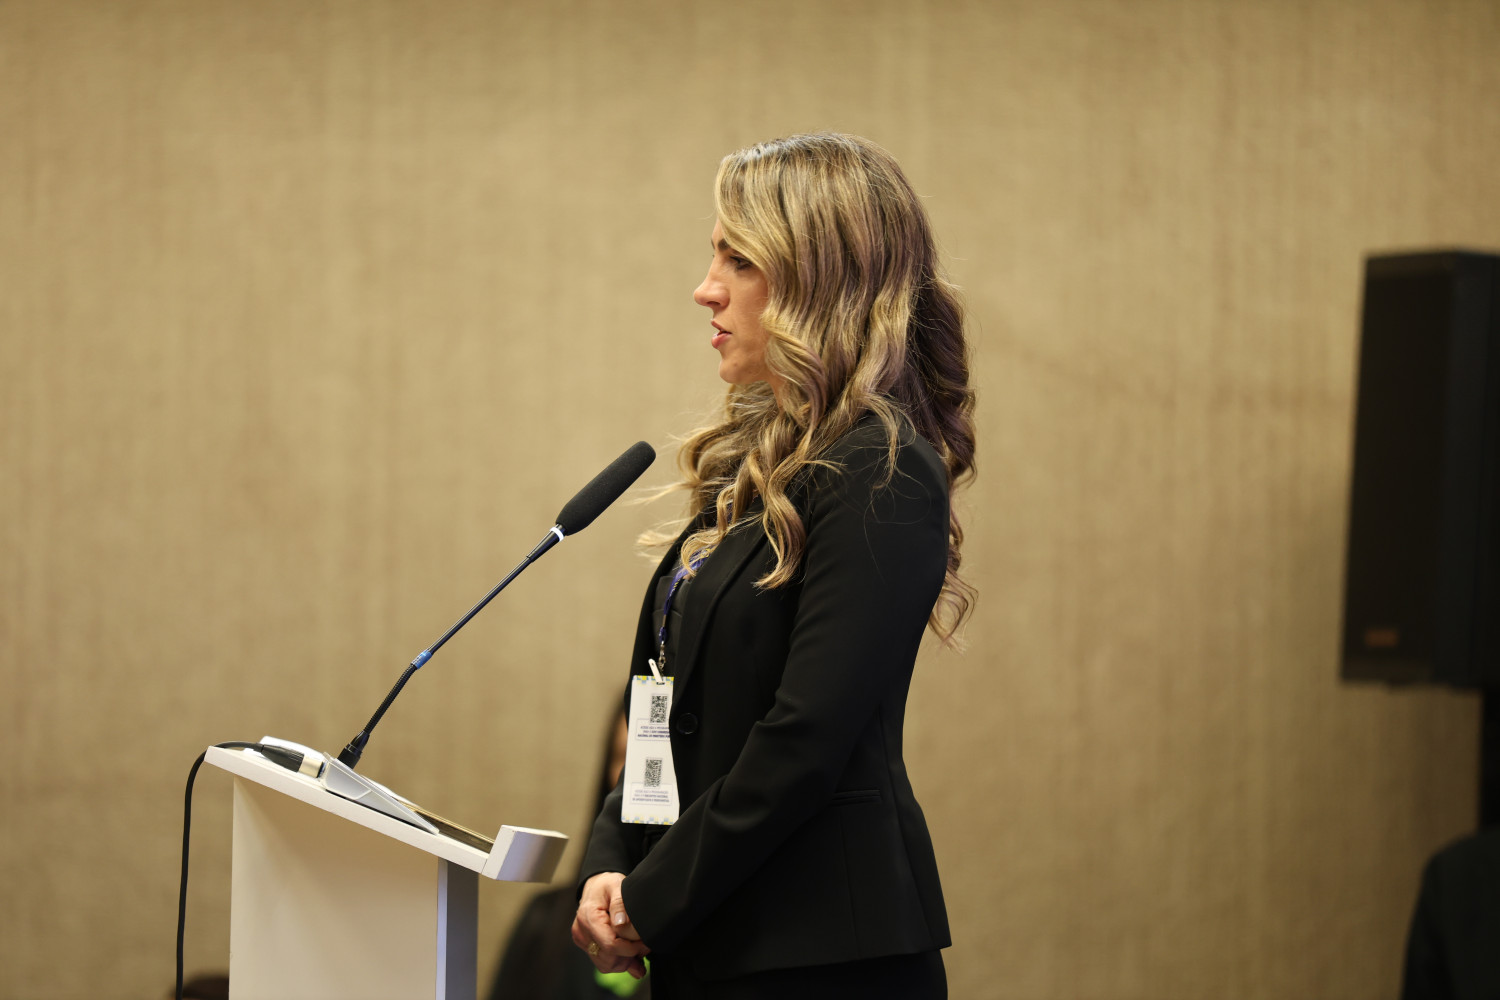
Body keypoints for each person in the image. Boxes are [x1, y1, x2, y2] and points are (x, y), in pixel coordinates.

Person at [570, 132, 975, 999]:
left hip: (824, 960)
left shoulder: (883, 468)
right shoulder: (752, 473)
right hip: (711, 942)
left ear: (819, 281)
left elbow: (805, 740)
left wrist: (651, 897)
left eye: (739, 260)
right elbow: (660, 705)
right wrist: (614, 861)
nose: (705, 288)